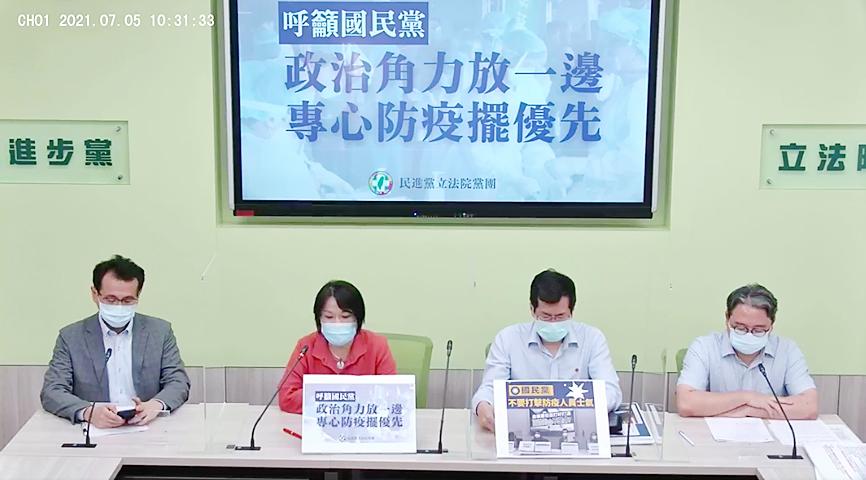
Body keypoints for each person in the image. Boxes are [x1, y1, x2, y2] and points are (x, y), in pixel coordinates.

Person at [41, 255, 190, 428]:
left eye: (127, 300)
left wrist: (155, 405)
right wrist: (89, 412)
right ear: (95, 294)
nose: (119, 306)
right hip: (95, 427)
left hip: (147, 426)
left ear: (138, 296)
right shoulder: (70, 337)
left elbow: (178, 382)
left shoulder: (160, 332)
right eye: (110, 299)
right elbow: (52, 391)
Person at [472, 269, 623, 432]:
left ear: (571, 312)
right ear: (532, 309)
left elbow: (610, 390)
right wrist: (483, 406)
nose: (553, 323)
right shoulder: (508, 339)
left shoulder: (592, 339)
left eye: (560, 317)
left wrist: (578, 412)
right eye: (545, 316)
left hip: (578, 430)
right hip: (522, 431)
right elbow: (490, 389)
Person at [676, 284, 818, 419]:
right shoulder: (704, 347)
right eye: (740, 328)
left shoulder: (787, 350)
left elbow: (809, 407)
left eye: (758, 330)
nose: (749, 335)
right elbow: (686, 403)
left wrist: (747, 411)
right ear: (727, 318)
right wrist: (748, 398)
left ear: (771, 325)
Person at [278, 280, 397, 413]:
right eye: (329, 317)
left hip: (362, 423)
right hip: (319, 423)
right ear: (319, 319)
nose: (337, 323)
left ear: (358, 318)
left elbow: (391, 396)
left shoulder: (377, 345)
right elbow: (287, 397)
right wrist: (342, 398)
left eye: (345, 316)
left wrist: (324, 397)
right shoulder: (306, 346)